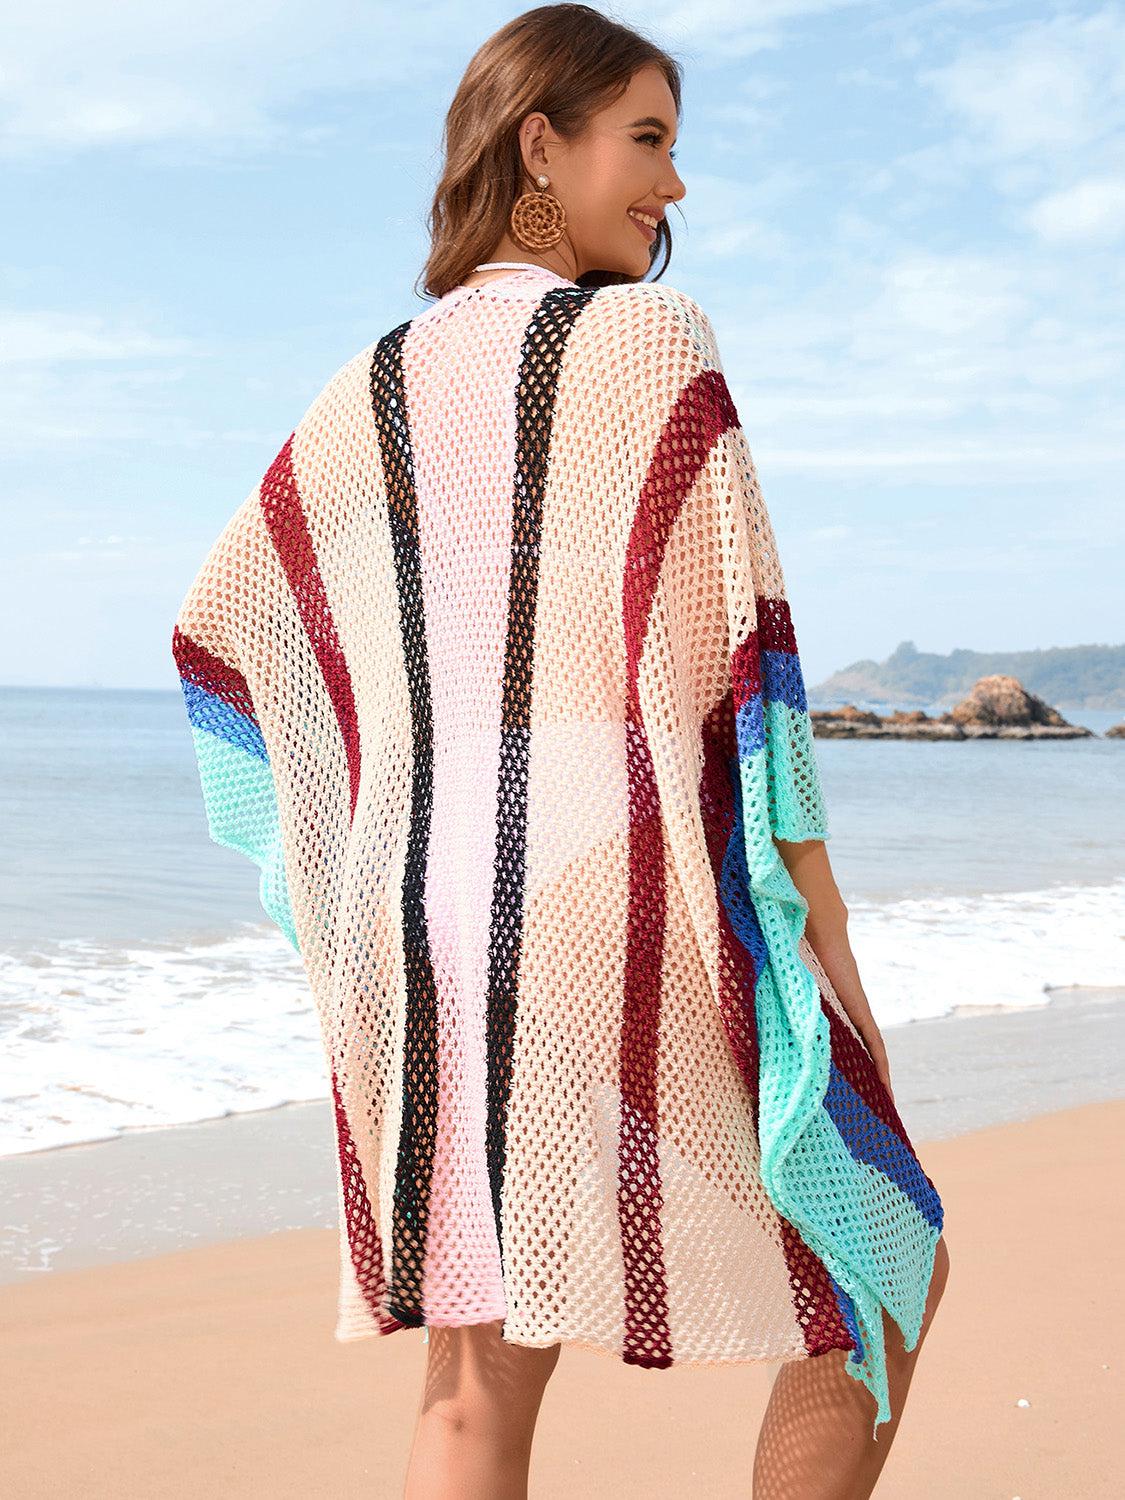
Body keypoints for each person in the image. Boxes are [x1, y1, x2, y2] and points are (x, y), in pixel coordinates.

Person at [172, 6, 949, 1498]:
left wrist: (348, 850)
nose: (673, 188)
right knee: (876, 1254)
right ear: (543, 142)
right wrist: (821, 934)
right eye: (646, 141)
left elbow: (225, 634)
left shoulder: (366, 390)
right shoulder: (645, 339)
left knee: (473, 1380)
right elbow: (747, 673)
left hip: (422, 922)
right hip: (609, 899)